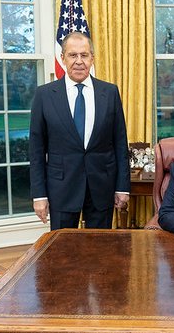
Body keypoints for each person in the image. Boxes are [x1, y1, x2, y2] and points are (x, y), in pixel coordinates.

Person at [29, 32, 130, 229]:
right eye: (72, 55)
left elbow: (120, 144)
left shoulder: (109, 92)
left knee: (99, 251)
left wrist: (122, 187)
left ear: (92, 58)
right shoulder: (45, 95)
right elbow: (36, 151)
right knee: (62, 253)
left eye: (84, 55)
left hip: (102, 186)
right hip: (61, 188)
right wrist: (39, 195)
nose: (78, 61)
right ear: (63, 58)